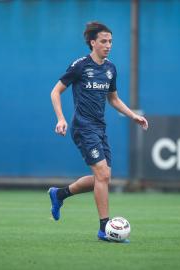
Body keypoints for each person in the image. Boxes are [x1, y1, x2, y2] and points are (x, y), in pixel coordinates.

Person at [48, 22, 148, 242]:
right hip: (83, 127)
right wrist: (61, 119)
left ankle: (59, 194)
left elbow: (113, 98)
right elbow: (55, 92)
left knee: (102, 178)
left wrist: (133, 115)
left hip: (100, 127)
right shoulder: (80, 66)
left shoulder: (110, 68)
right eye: (104, 41)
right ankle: (105, 229)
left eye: (111, 41)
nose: (108, 45)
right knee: (102, 175)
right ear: (92, 42)